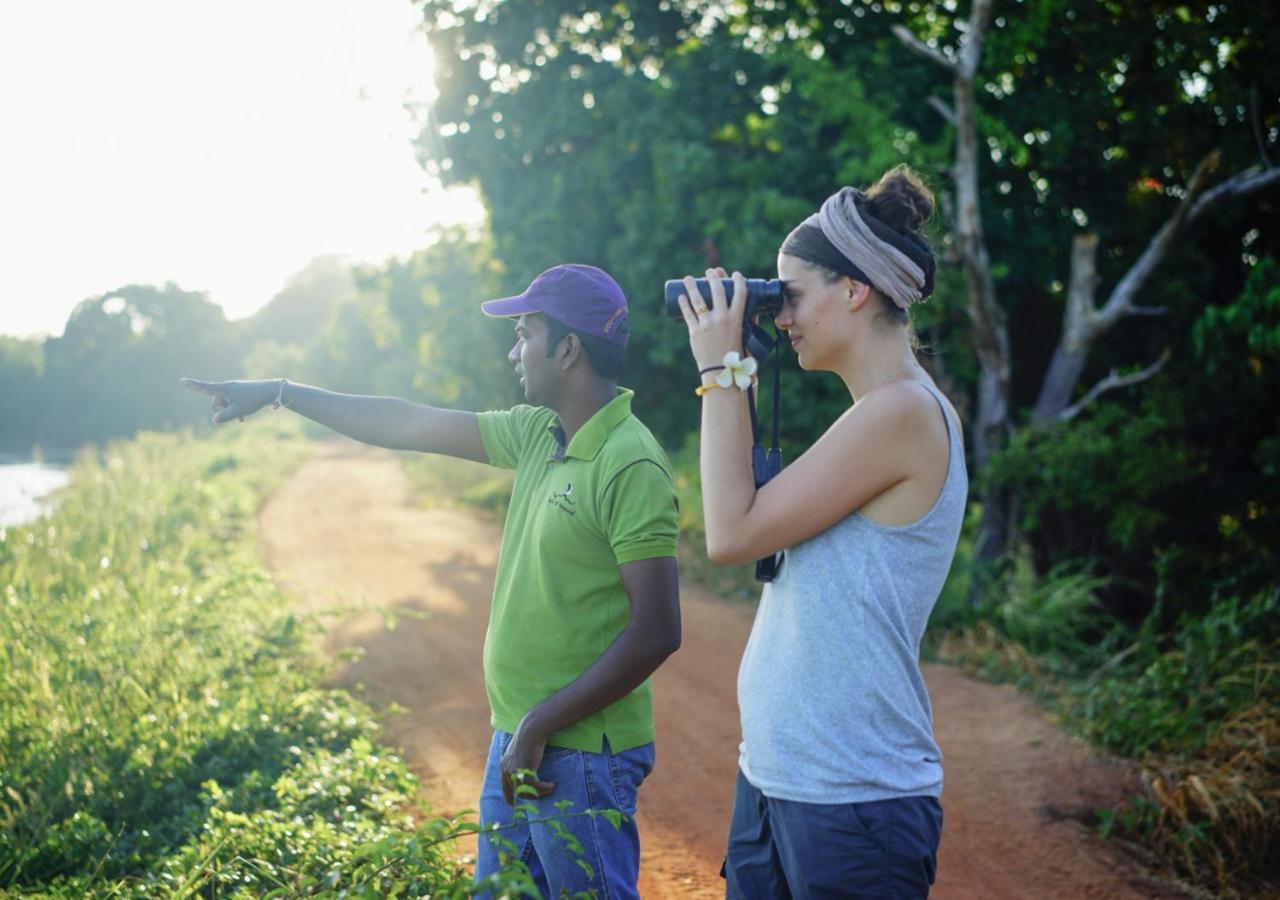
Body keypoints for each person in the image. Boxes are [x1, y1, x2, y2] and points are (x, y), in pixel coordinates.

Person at [183, 263, 681, 899]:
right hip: (521, 736)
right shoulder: (538, 433)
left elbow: (658, 630)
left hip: (579, 755)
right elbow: (407, 422)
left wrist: (539, 726)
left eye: (525, 334)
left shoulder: (629, 461)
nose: (514, 351)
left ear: (568, 348)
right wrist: (282, 390)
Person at [674, 166, 965, 899]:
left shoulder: (901, 413)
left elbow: (731, 532)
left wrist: (721, 370)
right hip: (786, 782)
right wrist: (734, 375)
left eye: (790, 294)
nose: (780, 317)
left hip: (853, 800)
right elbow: (751, 518)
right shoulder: (875, 414)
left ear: (855, 289)